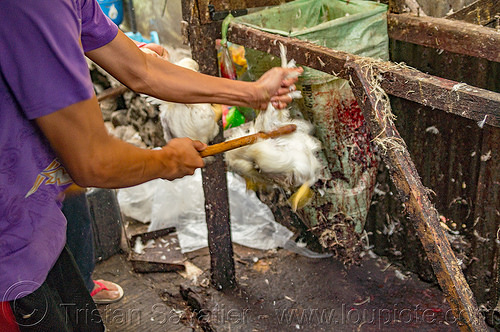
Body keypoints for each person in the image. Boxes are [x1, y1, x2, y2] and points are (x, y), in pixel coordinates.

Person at [0, 0, 302, 331]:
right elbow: (93, 162)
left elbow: (141, 68)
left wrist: (253, 92)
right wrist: (166, 159)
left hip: (34, 227)